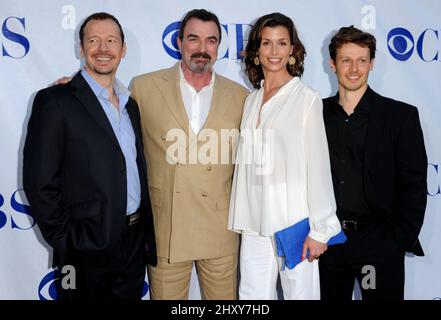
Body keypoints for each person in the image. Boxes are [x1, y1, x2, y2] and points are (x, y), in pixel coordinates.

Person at [23, 12, 156, 300]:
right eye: (93, 40)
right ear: (81, 48)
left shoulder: (130, 105)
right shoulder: (55, 101)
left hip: (133, 243)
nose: (103, 48)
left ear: (123, 49)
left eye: (111, 40)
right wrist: (67, 241)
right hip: (81, 250)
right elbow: (39, 182)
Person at [130, 9, 248, 299]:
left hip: (220, 230)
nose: (202, 49)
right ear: (180, 41)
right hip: (166, 227)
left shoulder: (241, 97)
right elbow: (106, 115)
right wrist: (74, 90)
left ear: (219, 46)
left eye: (211, 41)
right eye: (193, 39)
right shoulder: (143, 88)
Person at [228, 12, 341, 300]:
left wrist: (320, 228)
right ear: (257, 50)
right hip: (254, 221)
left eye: (282, 43)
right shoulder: (252, 99)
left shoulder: (306, 98)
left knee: (300, 296)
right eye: (267, 43)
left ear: (292, 49)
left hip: (295, 223)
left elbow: (318, 165)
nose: (274, 52)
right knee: (251, 297)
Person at [319, 26, 427, 300]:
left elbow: (414, 185)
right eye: (346, 60)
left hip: (378, 243)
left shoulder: (400, 116)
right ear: (333, 64)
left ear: (372, 63)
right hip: (328, 242)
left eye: (362, 60)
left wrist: (397, 240)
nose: (354, 68)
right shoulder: (315, 114)